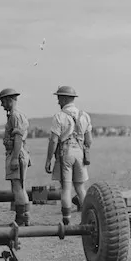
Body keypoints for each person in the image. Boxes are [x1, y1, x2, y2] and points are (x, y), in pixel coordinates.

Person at [44, 86, 93, 225]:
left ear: (65, 98)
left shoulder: (59, 116)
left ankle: (67, 221)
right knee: (80, 187)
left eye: (59, 98)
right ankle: (87, 220)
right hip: (80, 152)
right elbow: (89, 140)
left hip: (65, 153)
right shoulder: (84, 115)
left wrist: (48, 159)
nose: (58, 102)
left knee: (66, 188)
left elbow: (54, 140)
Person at [0, 88, 31, 226]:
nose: (2, 105)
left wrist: (15, 158)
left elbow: (18, 138)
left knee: (18, 188)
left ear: (10, 100)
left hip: (16, 153)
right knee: (20, 187)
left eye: (3, 101)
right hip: (19, 152)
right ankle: (25, 217)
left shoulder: (14, 116)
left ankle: (20, 220)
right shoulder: (18, 115)